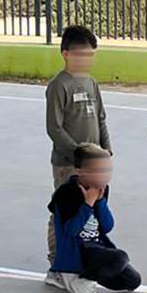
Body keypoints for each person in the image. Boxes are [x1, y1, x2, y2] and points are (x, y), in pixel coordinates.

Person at [44, 25, 111, 266]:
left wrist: (105, 150)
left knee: (92, 207)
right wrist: (79, 156)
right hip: (68, 164)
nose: (86, 60)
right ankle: (57, 260)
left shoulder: (91, 83)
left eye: (90, 55)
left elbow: (100, 118)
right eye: (81, 54)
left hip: (94, 164)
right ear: (65, 54)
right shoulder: (59, 86)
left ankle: (87, 253)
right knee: (65, 211)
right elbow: (55, 128)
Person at [47, 143, 141, 293]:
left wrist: (100, 202)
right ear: (79, 171)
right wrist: (87, 204)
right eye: (99, 171)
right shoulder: (67, 192)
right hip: (76, 252)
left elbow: (107, 226)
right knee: (120, 257)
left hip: (94, 248)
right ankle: (78, 279)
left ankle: (65, 278)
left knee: (132, 281)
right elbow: (71, 231)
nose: (105, 175)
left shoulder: (100, 189)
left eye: (107, 170)